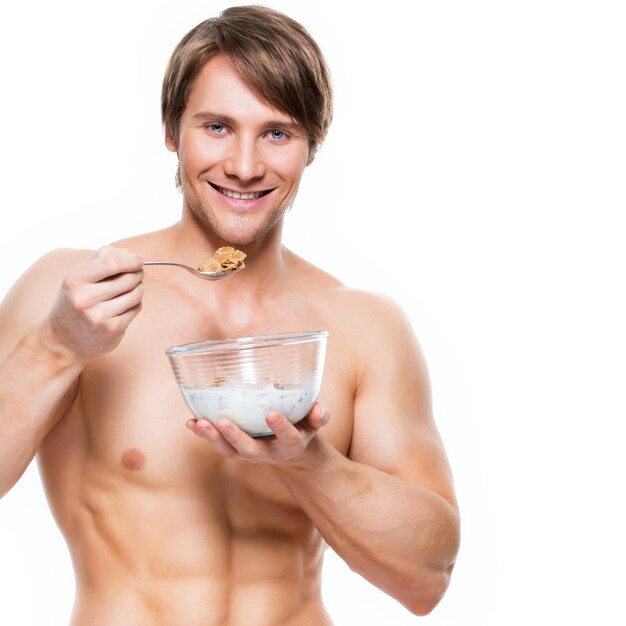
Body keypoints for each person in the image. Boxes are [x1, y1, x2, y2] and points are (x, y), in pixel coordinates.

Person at [0, 6, 460, 625]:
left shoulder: (363, 328)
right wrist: (57, 345)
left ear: (311, 147)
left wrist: (308, 463)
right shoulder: (75, 294)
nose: (244, 166)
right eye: (217, 127)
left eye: (277, 133)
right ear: (173, 130)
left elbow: (425, 579)